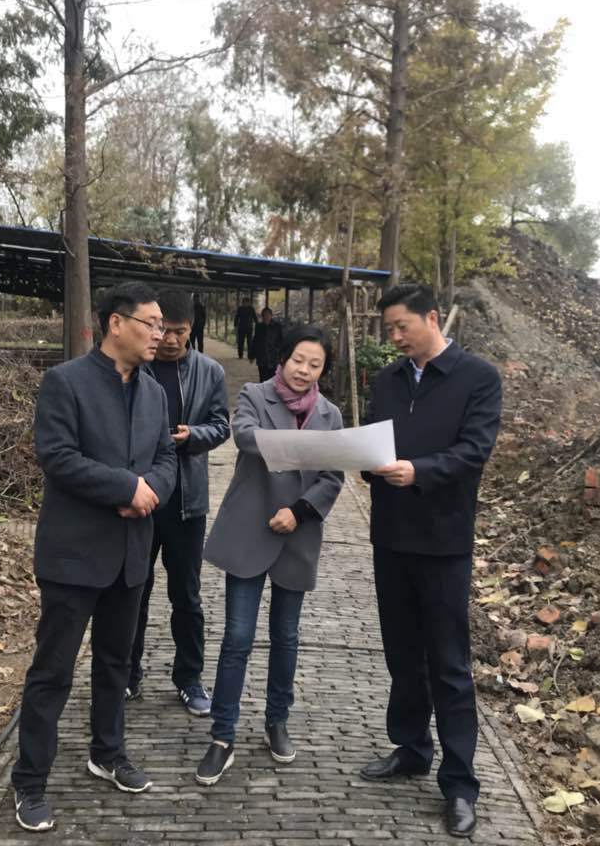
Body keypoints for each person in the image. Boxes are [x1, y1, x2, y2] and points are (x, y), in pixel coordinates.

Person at [10, 282, 178, 833]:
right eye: (151, 323)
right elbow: (57, 456)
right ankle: (30, 781)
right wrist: (126, 488)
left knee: (115, 664)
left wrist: (150, 489)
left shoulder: (153, 392)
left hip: (131, 554)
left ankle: (108, 752)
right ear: (116, 324)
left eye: (162, 325)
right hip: (75, 555)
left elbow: (166, 458)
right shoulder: (66, 382)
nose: (160, 334)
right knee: (53, 671)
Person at [358, 283, 502, 840]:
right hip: (391, 536)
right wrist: (363, 460)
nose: (394, 337)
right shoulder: (388, 380)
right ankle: (412, 749)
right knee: (402, 654)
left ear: (432, 317)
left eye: (402, 326)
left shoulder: (478, 378)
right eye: (389, 329)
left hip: (443, 542)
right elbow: (374, 445)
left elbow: (473, 451)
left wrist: (419, 471)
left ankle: (460, 784)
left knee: (449, 664)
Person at [193, 326, 345, 786]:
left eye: (315, 364)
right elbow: (244, 437)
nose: (304, 370)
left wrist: (299, 512)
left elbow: (332, 477)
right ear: (283, 358)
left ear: (323, 370)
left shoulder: (330, 414)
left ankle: (277, 720)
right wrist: (307, 449)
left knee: (286, 637)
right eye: (298, 360)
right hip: (251, 529)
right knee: (237, 637)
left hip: (297, 533)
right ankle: (222, 735)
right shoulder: (255, 396)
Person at [127, 290, 231, 715]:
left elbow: (221, 425)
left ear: (192, 329)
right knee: (133, 590)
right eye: (163, 330)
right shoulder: (137, 365)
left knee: (186, 595)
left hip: (187, 501)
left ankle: (189, 677)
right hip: (140, 496)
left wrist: (194, 436)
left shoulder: (209, 371)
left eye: (180, 332)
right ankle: (127, 673)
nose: (170, 340)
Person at [251, 307, 283, 382]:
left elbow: (282, 341)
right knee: (263, 379)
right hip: (262, 357)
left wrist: (281, 353)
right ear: (262, 317)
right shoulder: (259, 327)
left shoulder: (277, 326)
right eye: (264, 315)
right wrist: (252, 355)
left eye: (267, 315)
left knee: (273, 379)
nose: (266, 317)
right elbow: (255, 341)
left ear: (271, 316)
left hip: (274, 357)